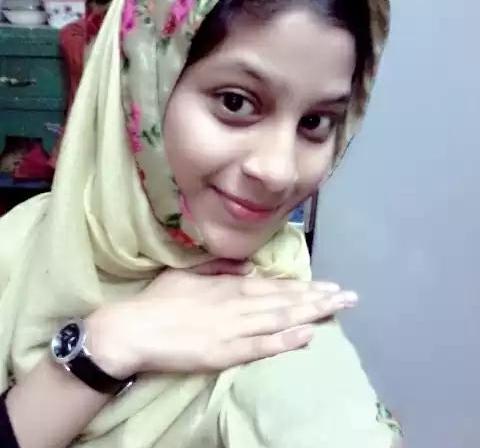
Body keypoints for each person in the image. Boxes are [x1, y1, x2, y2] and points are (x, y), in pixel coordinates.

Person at [0, 0, 403, 447]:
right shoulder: (20, 239)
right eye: (236, 102)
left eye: (314, 122)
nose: (279, 171)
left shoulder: (275, 322)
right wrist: (104, 345)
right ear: (140, 86)